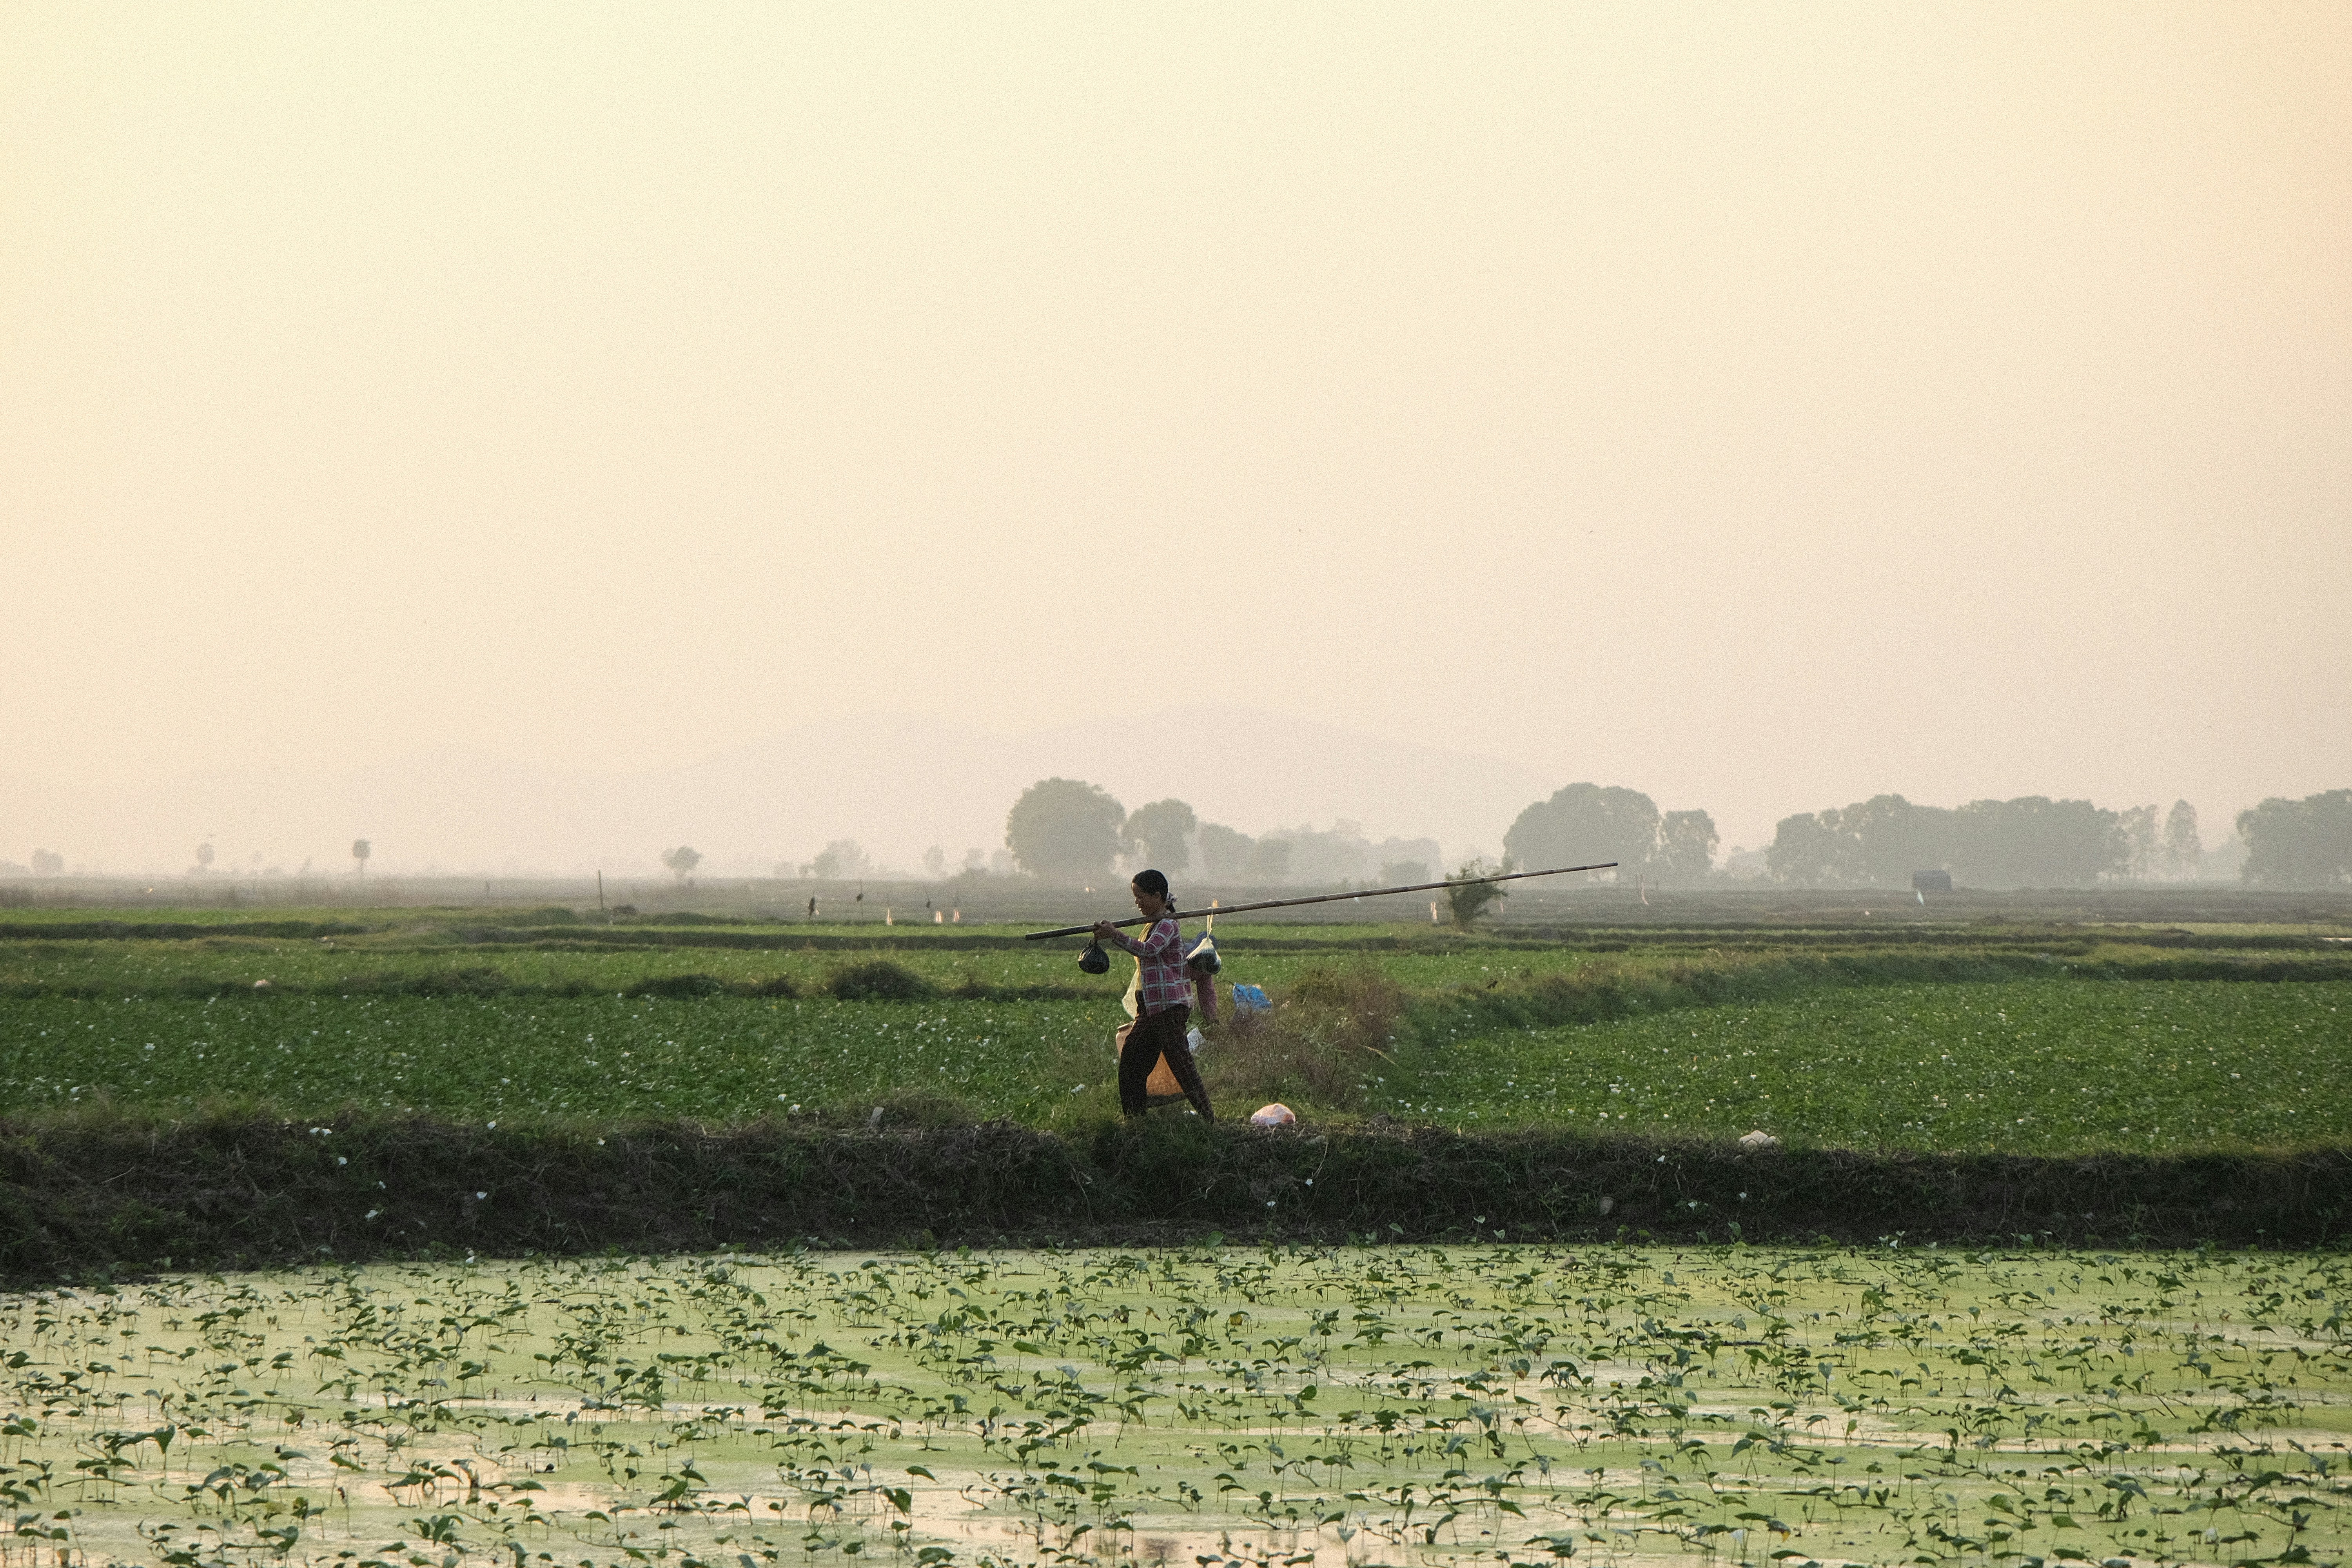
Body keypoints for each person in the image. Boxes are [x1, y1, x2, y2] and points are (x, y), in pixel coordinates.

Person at [1094, 869, 1215, 1121]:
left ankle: (1208, 1118)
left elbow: (1149, 951)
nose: (1137, 903)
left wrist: (1115, 935)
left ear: (1157, 896)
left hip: (1170, 1007)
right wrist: (1112, 935)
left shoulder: (1168, 924)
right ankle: (1135, 1121)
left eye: (1140, 897)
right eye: (1135, 897)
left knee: (1181, 1065)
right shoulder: (1152, 925)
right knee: (1131, 1062)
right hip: (1150, 1008)